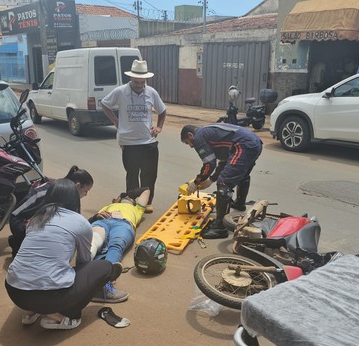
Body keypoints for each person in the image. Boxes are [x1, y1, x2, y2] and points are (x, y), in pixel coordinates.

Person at [5, 179, 124, 330]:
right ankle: (63, 318)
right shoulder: (79, 222)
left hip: (14, 291)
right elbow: (84, 262)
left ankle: (31, 311)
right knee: (103, 267)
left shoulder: (36, 219)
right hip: (46, 298)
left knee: (39, 271)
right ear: (74, 198)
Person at [100, 59, 167, 214]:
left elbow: (162, 110)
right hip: (129, 142)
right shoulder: (120, 91)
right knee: (132, 174)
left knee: (149, 174)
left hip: (148, 141)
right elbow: (105, 104)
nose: (138, 85)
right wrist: (116, 122)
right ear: (131, 78)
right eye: (136, 82)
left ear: (145, 80)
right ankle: (131, 201)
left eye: (141, 82)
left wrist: (159, 127)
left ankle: (147, 202)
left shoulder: (151, 92)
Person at [180, 123, 262, 239]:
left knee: (224, 183)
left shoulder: (198, 137)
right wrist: (211, 179)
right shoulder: (210, 133)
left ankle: (220, 228)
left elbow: (209, 164)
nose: (190, 146)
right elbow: (224, 162)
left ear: (190, 135)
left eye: (188, 142)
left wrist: (196, 182)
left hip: (243, 145)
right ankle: (239, 203)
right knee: (241, 175)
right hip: (254, 142)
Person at [8, 166, 94, 258]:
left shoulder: (69, 196)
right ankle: (18, 241)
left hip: (35, 222)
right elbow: (18, 214)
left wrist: (94, 219)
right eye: (86, 191)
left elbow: (76, 223)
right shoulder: (49, 192)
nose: (85, 195)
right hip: (20, 222)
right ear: (77, 186)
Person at [89, 187, 150, 270]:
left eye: (130, 198)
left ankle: (107, 273)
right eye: (124, 197)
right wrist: (96, 216)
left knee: (116, 245)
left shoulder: (138, 209)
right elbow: (92, 219)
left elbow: (146, 190)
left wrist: (127, 194)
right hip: (103, 221)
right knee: (94, 240)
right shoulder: (109, 206)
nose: (127, 197)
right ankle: (83, 268)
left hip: (123, 224)